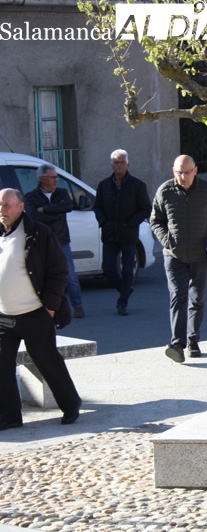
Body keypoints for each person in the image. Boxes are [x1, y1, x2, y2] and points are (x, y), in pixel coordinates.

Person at [0, 188, 82, 430]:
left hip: (35, 312)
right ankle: (10, 416)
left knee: (47, 360)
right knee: (1, 366)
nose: (1, 209)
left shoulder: (37, 233)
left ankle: (70, 405)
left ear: (21, 207)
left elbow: (59, 270)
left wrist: (50, 307)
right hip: (4, 315)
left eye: (6, 205)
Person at [150, 155, 207, 363]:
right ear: (173, 171)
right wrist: (167, 241)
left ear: (195, 171)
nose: (183, 176)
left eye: (187, 172)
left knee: (197, 299)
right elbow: (155, 220)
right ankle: (178, 343)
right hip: (174, 256)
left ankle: (193, 340)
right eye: (179, 172)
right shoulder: (165, 191)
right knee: (178, 296)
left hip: (201, 254)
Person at [93, 149, 151, 316]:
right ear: (112, 165)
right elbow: (97, 207)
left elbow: (145, 209)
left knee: (127, 270)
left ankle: (122, 302)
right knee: (108, 268)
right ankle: (125, 289)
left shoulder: (137, 186)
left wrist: (131, 223)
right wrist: (103, 221)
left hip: (128, 234)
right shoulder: (104, 185)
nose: (119, 166)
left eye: (122, 162)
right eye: (116, 163)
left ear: (128, 164)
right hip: (110, 234)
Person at [23, 164, 85, 318]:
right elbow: (32, 216)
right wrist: (55, 214)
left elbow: (68, 206)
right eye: (53, 177)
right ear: (42, 179)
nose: (56, 180)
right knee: (43, 276)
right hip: (41, 243)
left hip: (61, 240)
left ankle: (78, 306)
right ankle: (46, 308)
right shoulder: (31, 196)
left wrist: (44, 209)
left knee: (70, 275)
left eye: (56, 177)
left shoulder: (62, 193)